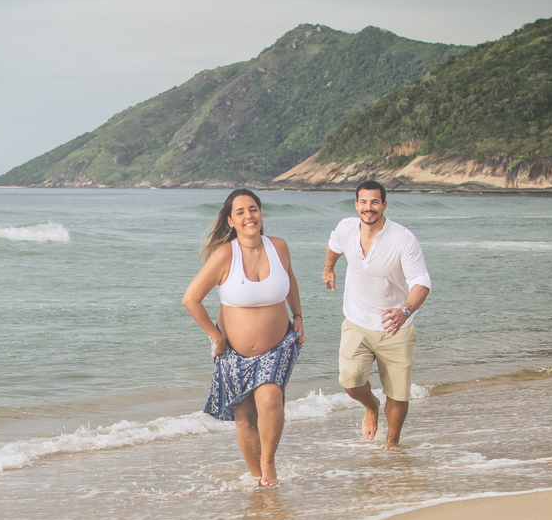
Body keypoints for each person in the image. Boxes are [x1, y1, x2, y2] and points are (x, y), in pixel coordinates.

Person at [183, 189, 305, 486]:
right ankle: (256, 476)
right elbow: (191, 299)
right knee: (244, 417)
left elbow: (290, 279)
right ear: (230, 221)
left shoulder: (279, 247)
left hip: (278, 346)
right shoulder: (225, 254)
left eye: (253, 209)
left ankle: (268, 464)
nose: (249, 216)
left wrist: (298, 316)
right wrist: (216, 337)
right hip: (234, 353)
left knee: (270, 396)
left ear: (260, 214)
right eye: (240, 212)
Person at [322, 180, 431, 450]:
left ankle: (392, 444)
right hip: (357, 321)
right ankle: (371, 406)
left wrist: (405, 310)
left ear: (384, 204)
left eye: (374, 202)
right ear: (356, 204)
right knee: (350, 380)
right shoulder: (346, 228)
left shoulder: (402, 239)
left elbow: (422, 282)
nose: (368, 208)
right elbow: (334, 246)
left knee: (398, 392)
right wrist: (328, 269)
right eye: (363, 202)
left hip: (396, 327)